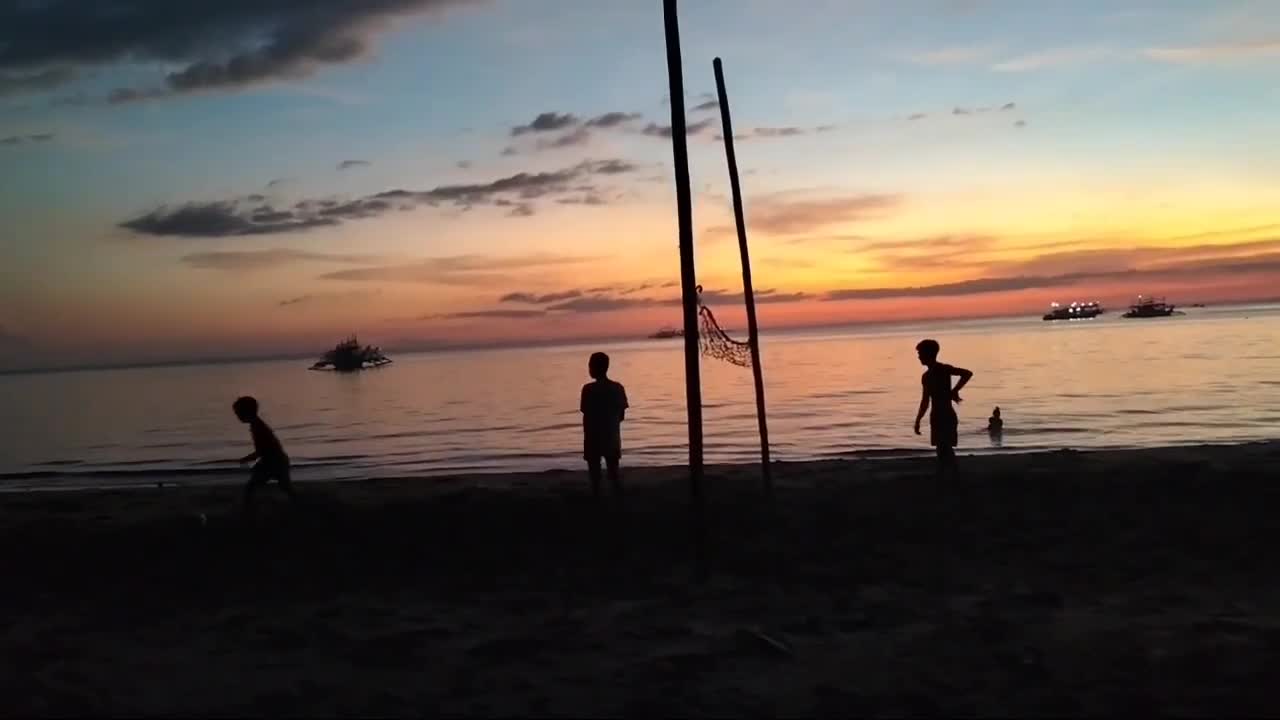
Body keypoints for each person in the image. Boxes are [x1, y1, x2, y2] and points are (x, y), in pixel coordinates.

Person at [912, 339, 973, 480]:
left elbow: (967, 373)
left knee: (945, 449)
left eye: (920, 353)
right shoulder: (926, 376)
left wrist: (954, 390)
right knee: (942, 449)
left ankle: (952, 477)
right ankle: (947, 476)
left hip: (945, 415)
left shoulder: (943, 369)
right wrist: (918, 420)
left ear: (928, 354)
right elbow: (925, 401)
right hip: (936, 416)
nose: (919, 357)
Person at [233, 395, 296, 517]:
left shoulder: (258, 428)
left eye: (238, 413)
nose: (237, 416)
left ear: (246, 413)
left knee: (250, 488)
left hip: (274, 463)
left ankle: (247, 513)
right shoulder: (257, 425)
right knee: (286, 488)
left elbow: (261, 451)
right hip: (277, 460)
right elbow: (267, 449)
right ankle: (300, 505)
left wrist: (247, 459)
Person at [580, 352, 628, 500]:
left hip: (593, 435)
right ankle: (617, 499)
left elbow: (585, 410)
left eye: (590, 366)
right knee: (613, 473)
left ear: (593, 368)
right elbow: (621, 415)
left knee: (595, 475)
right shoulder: (617, 387)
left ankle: (597, 499)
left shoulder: (587, 389)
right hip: (611, 434)